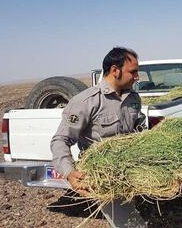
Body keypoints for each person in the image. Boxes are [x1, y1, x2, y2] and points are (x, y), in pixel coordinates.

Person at [50, 46, 145, 196]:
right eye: (133, 72)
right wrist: (69, 172)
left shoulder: (133, 98)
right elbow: (60, 140)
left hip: (127, 174)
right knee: (120, 216)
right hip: (100, 177)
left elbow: (138, 129)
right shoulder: (86, 101)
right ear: (115, 70)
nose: (137, 77)